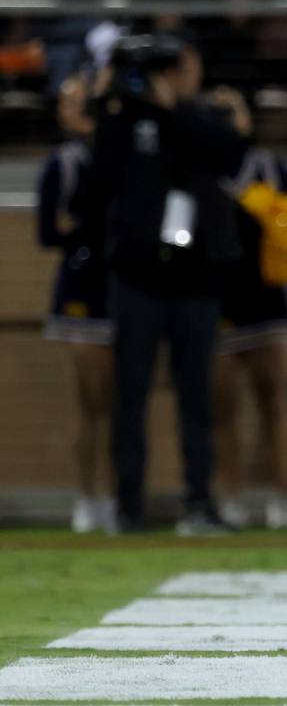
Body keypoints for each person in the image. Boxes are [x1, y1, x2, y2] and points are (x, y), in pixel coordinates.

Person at [87, 35, 249, 534]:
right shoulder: (123, 119)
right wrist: (114, 99)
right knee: (129, 396)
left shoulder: (200, 117)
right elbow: (100, 174)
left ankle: (199, 503)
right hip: (137, 277)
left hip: (195, 278)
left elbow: (229, 156)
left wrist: (170, 109)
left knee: (195, 397)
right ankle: (128, 506)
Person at [209, 89, 287, 531]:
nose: (226, 122)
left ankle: (282, 498)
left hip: (269, 299)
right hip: (217, 302)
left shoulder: (270, 168)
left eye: (233, 112)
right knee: (222, 408)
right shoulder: (198, 167)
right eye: (216, 114)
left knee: (276, 402)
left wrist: (276, 222)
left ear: (247, 120)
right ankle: (230, 497)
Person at [37, 75, 115, 534]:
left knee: (121, 401)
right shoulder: (62, 162)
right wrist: (85, 231)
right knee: (92, 403)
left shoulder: (117, 151)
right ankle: (89, 497)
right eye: (70, 102)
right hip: (82, 291)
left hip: (124, 286)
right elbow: (48, 233)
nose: (80, 107)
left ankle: (119, 496)